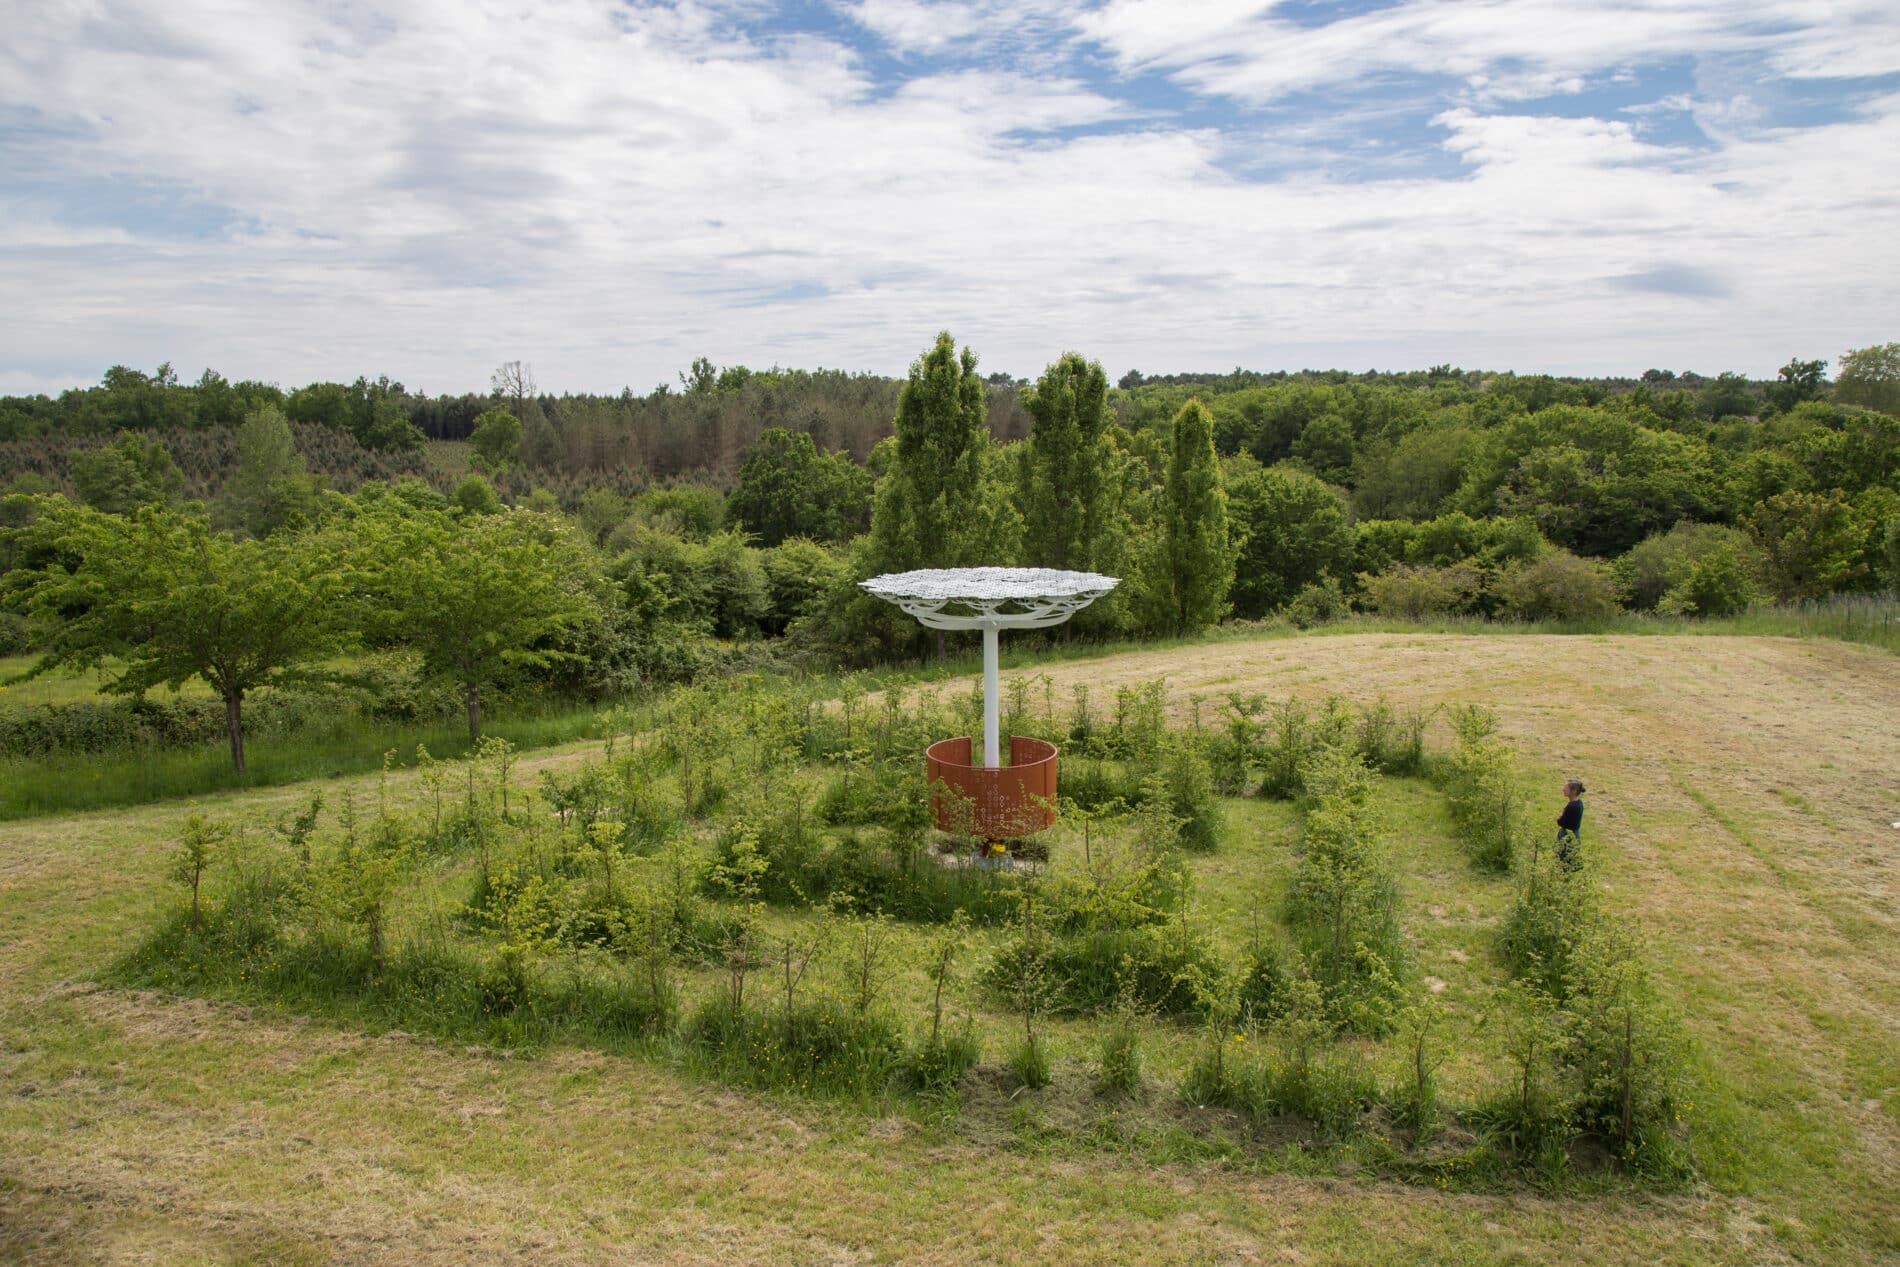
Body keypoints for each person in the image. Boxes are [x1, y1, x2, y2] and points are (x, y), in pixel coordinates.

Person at [1555, 779, 1585, 871]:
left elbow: (1560, 821)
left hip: (1568, 836)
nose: (1563, 789)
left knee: (1564, 860)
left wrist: (1560, 816)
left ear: (1574, 791)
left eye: (1566, 788)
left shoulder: (1572, 806)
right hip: (1573, 834)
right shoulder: (1578, 803)